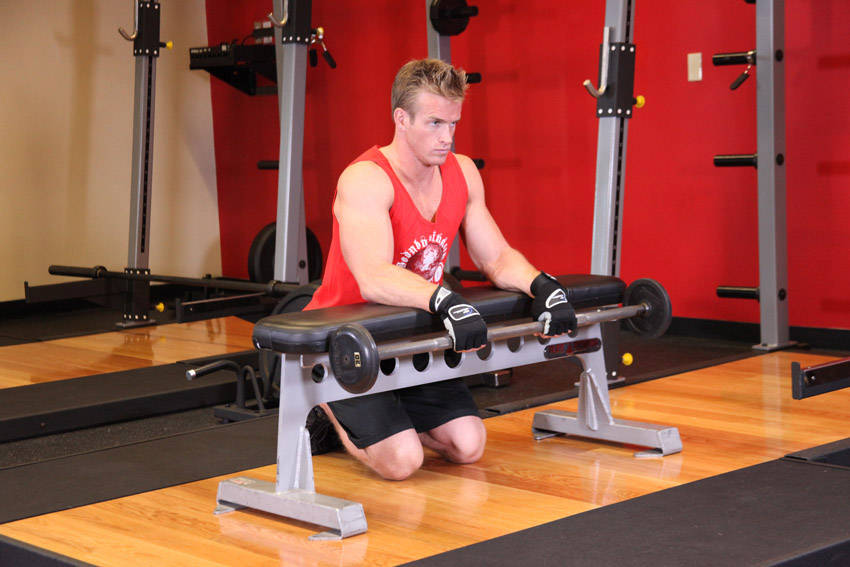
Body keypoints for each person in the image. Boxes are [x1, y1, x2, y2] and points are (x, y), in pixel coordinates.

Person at [304, 58, 577, 480]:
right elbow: (374, 276)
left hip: (410, 336)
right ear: (401, 118)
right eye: (434, 123)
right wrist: (445, 299)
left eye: (453, 124)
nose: (446, 137)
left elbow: (496, 257)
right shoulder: (365, 180)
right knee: (402, 463)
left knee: (468, 446)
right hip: (347, 341)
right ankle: (321, 401)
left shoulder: (463, 173)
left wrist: (542, 286)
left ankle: (391, 418)